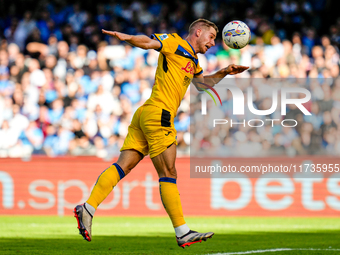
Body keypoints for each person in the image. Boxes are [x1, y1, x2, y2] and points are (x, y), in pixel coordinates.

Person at [74, 18, 248, 248]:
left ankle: (88, 207)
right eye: (211, 37)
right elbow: (148, 43)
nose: (213, 43)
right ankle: (182, 231)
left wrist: (225, 71)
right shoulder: (174, 43)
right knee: (168, 173)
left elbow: (202, 85)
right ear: (198, 32)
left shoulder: (193, 60)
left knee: (122, 166)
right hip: (159, 115)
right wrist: (126, 37)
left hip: (146, 114)